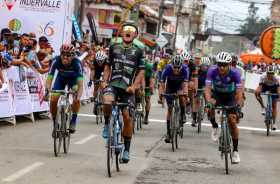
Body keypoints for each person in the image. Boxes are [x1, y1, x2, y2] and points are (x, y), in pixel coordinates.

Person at [101, 22, 145, 163]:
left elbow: (141, 71)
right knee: (107, 100)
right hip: (113, 84)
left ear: (135, 35)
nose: (128, 32)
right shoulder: (114, 47)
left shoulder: (139, 51)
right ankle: (107, 124)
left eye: (131, 30)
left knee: (127, 117)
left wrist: (134, 86)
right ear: (121, 33)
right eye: (125, 29)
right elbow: (107, 66)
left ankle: (126, 150)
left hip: (128, 88)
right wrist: (104, 80)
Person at [205, 52, 243, 164]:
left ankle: (235, 151)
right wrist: (208, 102)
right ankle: (215, 126)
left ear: (230, 64)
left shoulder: (235, 73)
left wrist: (238, 105)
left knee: (232, 121)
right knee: (209, 108)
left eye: (224, 65)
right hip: (217, 94)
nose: (221, 67)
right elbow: (207, 89)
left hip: (230, 96)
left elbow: (239, 92)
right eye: (220, 64)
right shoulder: (212, 70)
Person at [46, 44, 84, 135]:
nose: (65, 57)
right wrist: (47, 90)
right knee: (54, 99)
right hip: (61, 79)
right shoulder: (56, 60)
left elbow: (80, 85)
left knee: (76, 99)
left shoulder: (77, 63)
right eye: (63, 54)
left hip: (73, 80)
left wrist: (78, 96)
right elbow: (49, 78)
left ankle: (73, 120)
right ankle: (55, 123)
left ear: (73, 56)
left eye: (68, 55)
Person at [159, 55, 189, 143]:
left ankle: (183, 114)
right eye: (174, 67)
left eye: (178, 68)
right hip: (170, 86)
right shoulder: (167, 68)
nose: (176, 69)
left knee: (182, 98)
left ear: (181, 66)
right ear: (172, 66)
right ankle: (168, 133)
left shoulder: (185, 69)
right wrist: (161, 95)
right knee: (170, 108)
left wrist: (186, 94)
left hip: (180, 85)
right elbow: (162, 83)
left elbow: (185, 84)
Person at [255, 65, 280, 130]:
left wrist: (278, 97)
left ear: (274, 73)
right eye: (268, 73)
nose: (270, 75)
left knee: (274, 106)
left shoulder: (277, 78)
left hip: (274, 87)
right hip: (265, 86)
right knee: (256, 92)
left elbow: (278, 90)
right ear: (266, 73)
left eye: (271, 73)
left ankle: (274, 123)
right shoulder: (263, 76)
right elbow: (260, 87)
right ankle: (263, 107)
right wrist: (258, 92)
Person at [191, 57, 211, 127]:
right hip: (198, 86)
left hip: (206, 87)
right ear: (200, 65)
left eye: (206, 66)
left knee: (208, 99)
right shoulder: (197, 70)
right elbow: (193, 78)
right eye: (203, 65)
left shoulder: (210, 71)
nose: (205, 67)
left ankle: (208, 112)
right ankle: (194, 118)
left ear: (208, 66)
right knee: (195, 100)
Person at [181, 51, 198, 122]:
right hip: (180, 79)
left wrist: (196, 88)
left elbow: (195, 78)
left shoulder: (192, 65)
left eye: (187, 61)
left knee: (191, 87)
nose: (185, 63)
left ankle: (194, 115)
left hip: (189, 79)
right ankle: (182, 112)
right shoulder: (178, 63)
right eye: (184, 61)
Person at [89, 50, 107, 114]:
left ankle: (103, 100)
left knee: (103, 86)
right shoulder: (94, 62)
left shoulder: (107, 62)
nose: (99, 62)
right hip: (97, 72)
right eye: (98, 60)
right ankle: (95, 101)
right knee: (96, 87)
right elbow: (92, 71)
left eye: (101, 61)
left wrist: (106, 80)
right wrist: (91, 80)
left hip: (104, 72)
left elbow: (107, 72)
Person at [143, 58, 155, 124]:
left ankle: (146, 117)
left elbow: (152, 78)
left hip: (147, 81)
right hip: (139, 81)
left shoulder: (149, 66)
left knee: (147, 99)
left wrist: (151, 87)